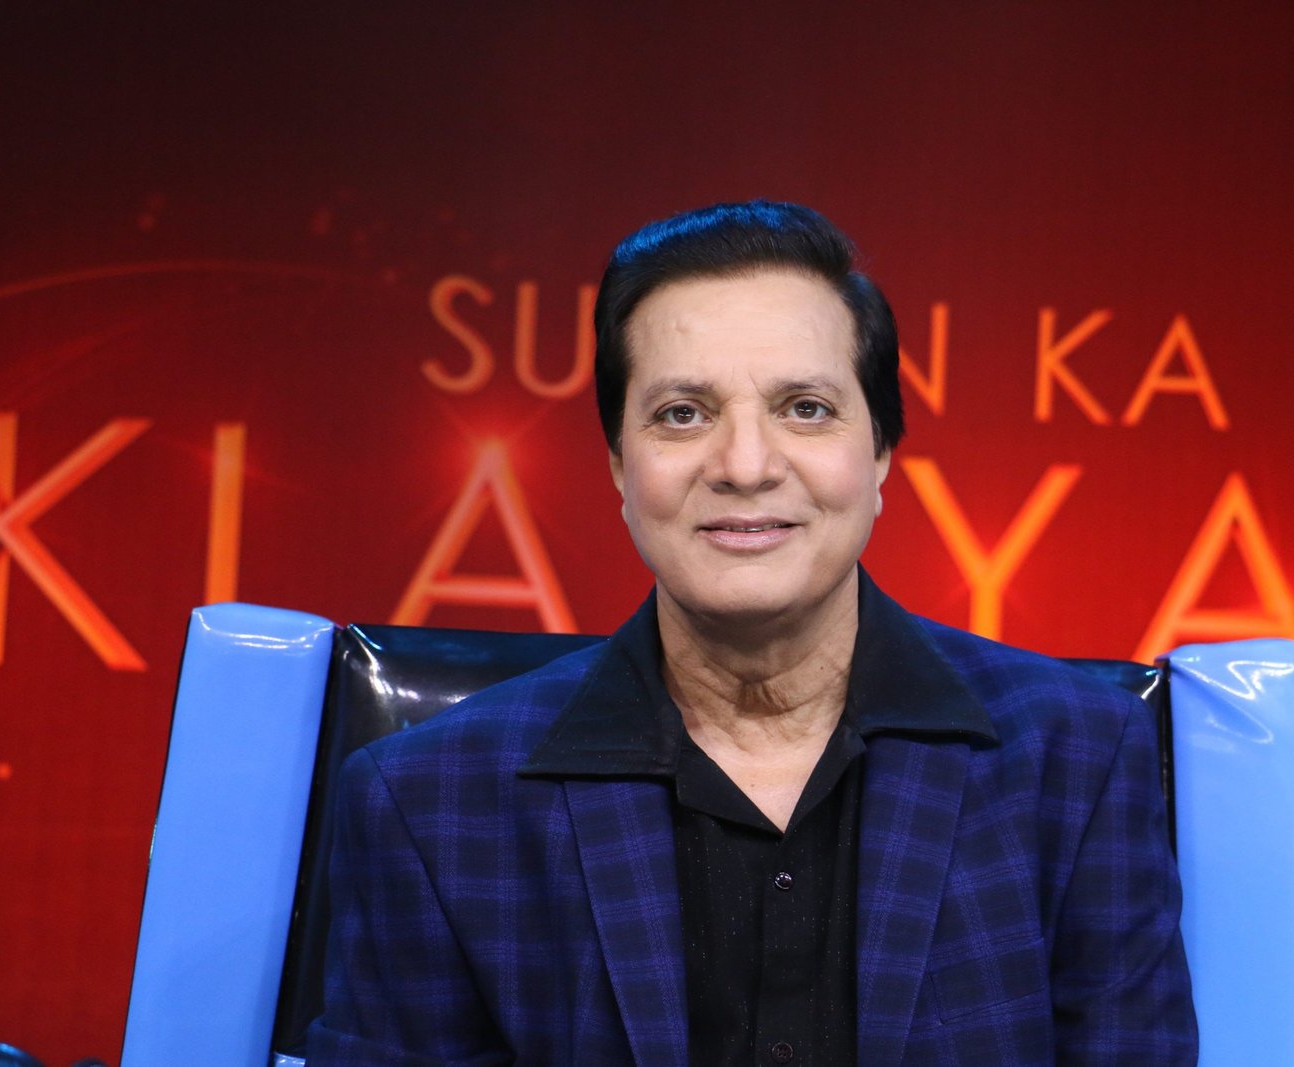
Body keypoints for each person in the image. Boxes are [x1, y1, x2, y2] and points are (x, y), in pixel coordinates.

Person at [307, 201, 1197, 1065]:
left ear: (880, 454)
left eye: (804, 407)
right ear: (619, 463)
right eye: (682, 413)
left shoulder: (1078, 759)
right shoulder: (429, 802)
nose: (744, 465)